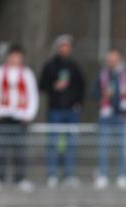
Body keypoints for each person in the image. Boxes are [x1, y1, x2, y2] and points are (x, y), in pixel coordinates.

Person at [0, 44, 39, 192]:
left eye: (18, 56)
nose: (15, 59)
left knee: (20, 150)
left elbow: (33, 95)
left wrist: (29, 114)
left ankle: (20, 178)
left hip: (20, 117)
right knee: (0, 149)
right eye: (13, 56)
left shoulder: (27, 74)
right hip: (2, 116)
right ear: (8, 57)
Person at [38, 34, 85, 188]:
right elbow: (42, 85)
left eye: (68, 46)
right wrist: (54, 86)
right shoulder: (50, 66)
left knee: (71, 143)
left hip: (71, 111)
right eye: (63, 46)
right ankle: (52, 175)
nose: (65, 49)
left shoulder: (74, 66)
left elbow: (81, 86)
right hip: (55, 110)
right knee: (53, 143)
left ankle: (69, 175)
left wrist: (78, 103)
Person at [93, 48, 126, 190]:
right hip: (105, 115)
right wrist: (102, 97)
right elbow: (94, 93)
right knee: (103, 148)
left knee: (121, 148)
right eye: (109, 59)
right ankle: (103, 175)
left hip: (121, 116)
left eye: (114, 59)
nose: (112, 61)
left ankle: (122, 175)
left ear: (119, 59)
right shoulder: (102, 75)